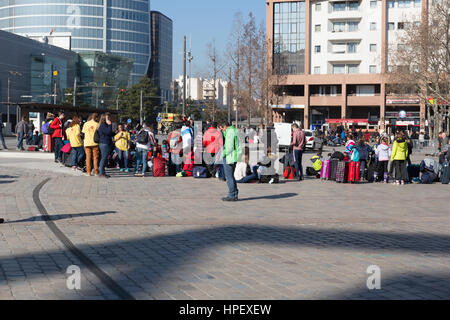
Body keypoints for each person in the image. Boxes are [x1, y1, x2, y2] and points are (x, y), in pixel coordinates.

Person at [221, 121, 242, 201]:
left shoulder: (230, 132)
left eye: (222, 129)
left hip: (229, 156)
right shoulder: (235, 131)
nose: (222, 131)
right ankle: (234, 193)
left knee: (229, 177)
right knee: (231, 176)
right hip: (235, 156)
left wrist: (222, 154)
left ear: (225, 126)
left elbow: (229, 147)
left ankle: (232, 194)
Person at [98, 113, 114, 178]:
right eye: (107, 118)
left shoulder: (104, 125)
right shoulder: (103, 125)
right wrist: (110, 125)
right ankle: (101, 172)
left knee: (104, 158)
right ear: (104, 119)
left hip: (105, 142)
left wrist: (114, 133)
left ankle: (103, 172)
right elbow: (108, 132)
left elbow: (109, 133)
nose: (109, 119)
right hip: (104, 143)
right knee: (104, 158)